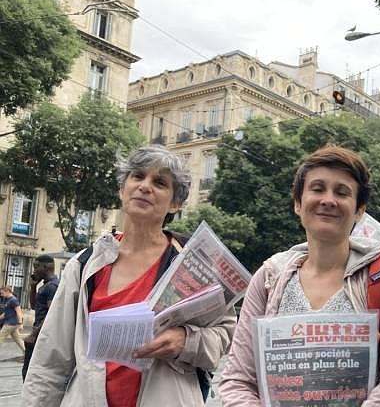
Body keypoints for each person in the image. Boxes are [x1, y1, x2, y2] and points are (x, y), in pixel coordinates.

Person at [22, 145, 236, 407]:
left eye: (159, 182)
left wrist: (187, 341)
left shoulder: (193, 263)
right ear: (122, 189)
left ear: (175, 203)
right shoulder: (85, 265)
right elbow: (50, 361)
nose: (145, 186)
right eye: (137, 176)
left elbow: (225, 333)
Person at [220, 145, 380, 406]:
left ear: (359, 210)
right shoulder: (269, 277)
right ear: (297, 203)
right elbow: (237, 380)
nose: (328, 200)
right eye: (317, 189)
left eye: (342, 192)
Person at [22, 254, 59, 381]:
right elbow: (33, 306)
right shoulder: (45, 285)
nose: (34, 270)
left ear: (46, 267)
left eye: (36, 267)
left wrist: (34, 334)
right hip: (39, 333)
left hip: (42, 336)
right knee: (27, 372)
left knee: (30, 374)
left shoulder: (52, 286)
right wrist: (33, 287)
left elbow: (52, 313)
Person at [0, 286, 25, 354]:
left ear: (7, 291)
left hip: (10, 324)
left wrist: (20, 323)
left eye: (2, 293)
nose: (1, 295)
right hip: (11, 324)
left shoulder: (13, 300)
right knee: (18, 339)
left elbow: (19, 312)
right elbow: (5, 313)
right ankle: (27, 353)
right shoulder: (8, 300)